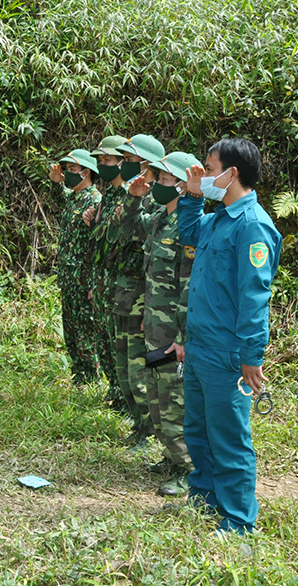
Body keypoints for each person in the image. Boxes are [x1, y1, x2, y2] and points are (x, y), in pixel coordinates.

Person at [178, 137, 282, 535]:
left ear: (231, 173)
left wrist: (251, 355)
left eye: (209, 168)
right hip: (200, 347)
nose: (204, 175)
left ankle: (238, 522)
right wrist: (191, 195)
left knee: (230, 439)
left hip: (227, 353)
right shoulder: (218, 218)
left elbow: (254, 297)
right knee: (199, 431)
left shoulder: (253, 226)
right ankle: (204, 501)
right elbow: (189, 233)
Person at [124, 151, 201, 497]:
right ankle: (172, 457)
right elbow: (148, 273)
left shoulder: (188, 229)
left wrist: (184, 335)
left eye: (164, 180)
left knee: (175, 400)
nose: (157, 184)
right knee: (157, 395)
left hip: (174, 335)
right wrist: (143, 316)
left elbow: (189, 285)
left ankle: (188, 468)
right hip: (155, 328)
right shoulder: (158, 220)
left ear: (183, 186)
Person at [109, 134, 164, 449]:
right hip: (125, 292)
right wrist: (132, 198)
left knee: (141, 369)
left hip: (147, 297)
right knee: (125, 368)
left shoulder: (162, 202)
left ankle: (151, 431)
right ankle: (140, 427)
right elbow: (120, 234)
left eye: (130, 161)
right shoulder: (135, 195)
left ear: (147, 165)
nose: (123, 166)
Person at [48, 149, 102, 384]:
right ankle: (79, 376)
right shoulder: (74, 198)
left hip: (83, 278)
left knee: (84, 331)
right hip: (69, 277)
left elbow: (99, 244)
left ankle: (92, 378)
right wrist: (56, 182)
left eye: (71, 170)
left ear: (86, 172)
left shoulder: (95, 200)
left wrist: (93, 283)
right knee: (70, 329)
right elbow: (60, 197)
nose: (67, 174)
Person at [85, 135, 131, 408]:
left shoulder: (130, 194)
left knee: (120, 342)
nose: (103, 165)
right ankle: (115, 391)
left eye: (108, 160)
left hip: (120, 281)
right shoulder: (109, 195)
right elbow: (101, 240)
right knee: (104, 338)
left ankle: (128, 400)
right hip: (102, 278)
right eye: (100, 161)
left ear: (122, 162)